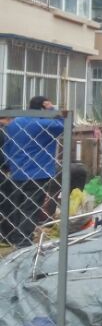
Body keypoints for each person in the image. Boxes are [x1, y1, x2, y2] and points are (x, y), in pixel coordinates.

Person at [1, 96, 65, 247]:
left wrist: (10, 165)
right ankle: (24, 241)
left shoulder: (14, 124)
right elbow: (65, 124)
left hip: (17, 172)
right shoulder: (43, 124)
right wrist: (51, 109)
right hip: (38, 173)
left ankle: (13, 237)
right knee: (31, 208)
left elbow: (7, 147)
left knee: (17, 206)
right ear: (43, 106)